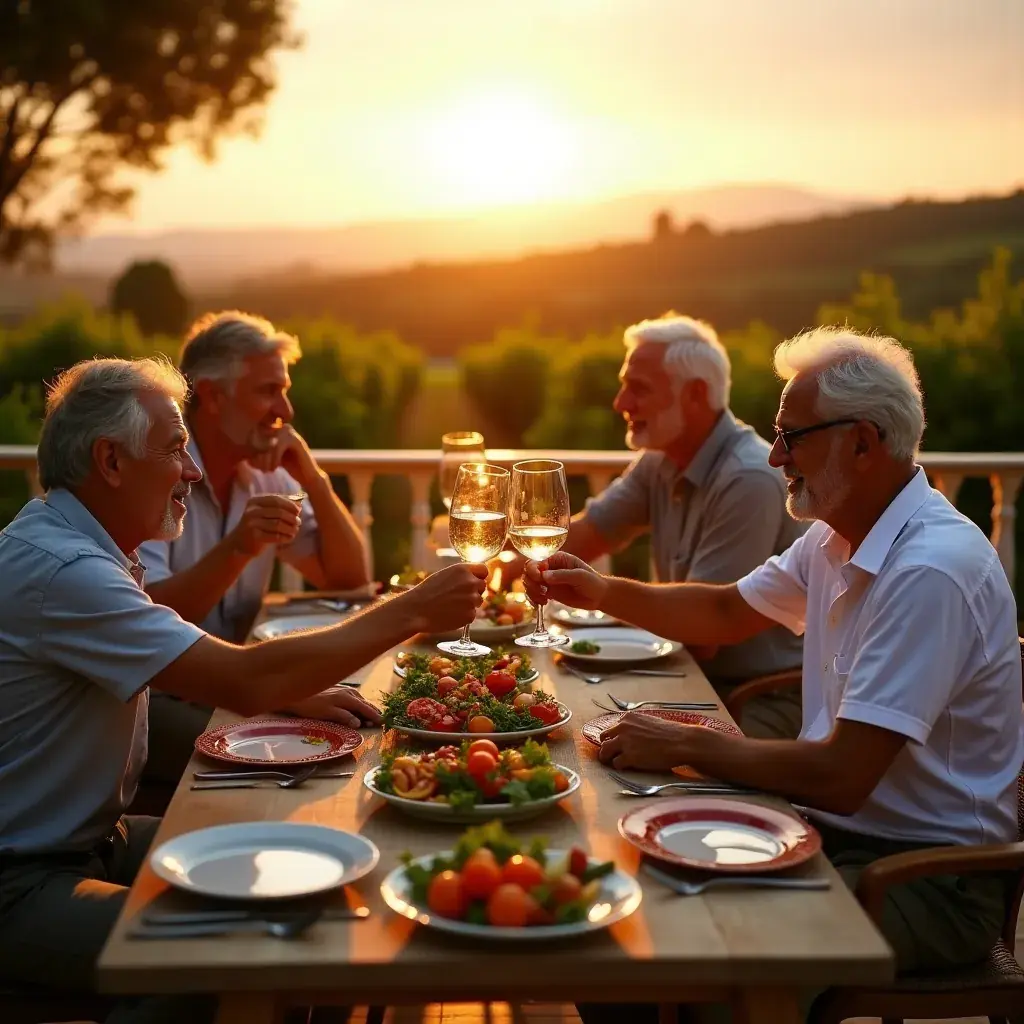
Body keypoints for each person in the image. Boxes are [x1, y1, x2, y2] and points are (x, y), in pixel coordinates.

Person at [524, 327, 1022, 1016]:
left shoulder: (930, 570)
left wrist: (689, 743)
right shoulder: (836, 535)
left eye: (792, 437)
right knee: (627, 916)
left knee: (686, 956)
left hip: (925, 879)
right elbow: (726, 610)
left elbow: (843, 775)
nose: (774, 454)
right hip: (835, 834)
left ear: (862, 443)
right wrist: (602, 590)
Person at [0, 356, 486, 1022]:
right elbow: (243, 677)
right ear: (110, 461)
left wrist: (285, 690)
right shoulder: (66, 571)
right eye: (175, 450)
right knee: (232, 953)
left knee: (307, 875)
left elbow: (220, 671)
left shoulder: (83, 548)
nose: (193, 471)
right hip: (20, 880)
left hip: (97, 841)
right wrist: (412, 611)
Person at [533, 313, 805, 738]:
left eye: (638, 388)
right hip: (685, 674)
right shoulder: (661, 457)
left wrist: (600, 595)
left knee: (591, 735)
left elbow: (703, 635)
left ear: (695, 394)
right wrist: (490, 567)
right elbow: (589, 533)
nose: (620, 403)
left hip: (752, 697)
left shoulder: (748, 478)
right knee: (566, 712)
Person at [137, 311, 373, 783]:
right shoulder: (159, 474)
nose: (285, 410)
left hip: (238, 685)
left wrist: (314, 479)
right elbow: (149, 620)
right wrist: (239, 547)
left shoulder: (268, 475)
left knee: (342, 733)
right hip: (156, 699)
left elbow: (349, 579)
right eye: (268, 391)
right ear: (211, 395)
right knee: (298, 758)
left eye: (284, 391)